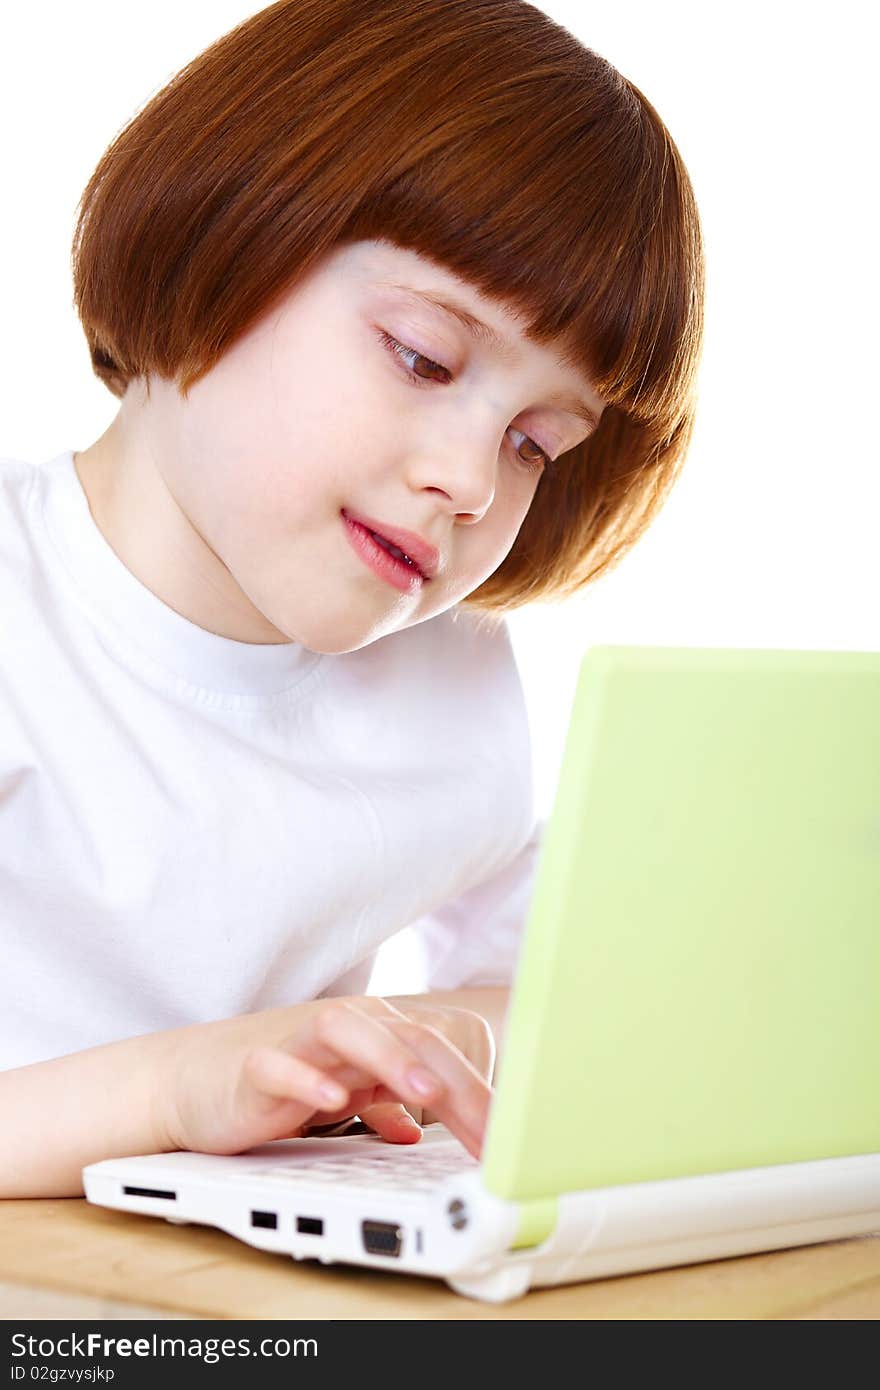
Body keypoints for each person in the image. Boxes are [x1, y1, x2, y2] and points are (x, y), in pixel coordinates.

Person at [0, 0, 704, 1196]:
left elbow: (562, 1006)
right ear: (226, 228)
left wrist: (423, 1048)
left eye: (537, 443)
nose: (470, 482)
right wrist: (179, 1090)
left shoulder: (451, 679)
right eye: (425, 357)